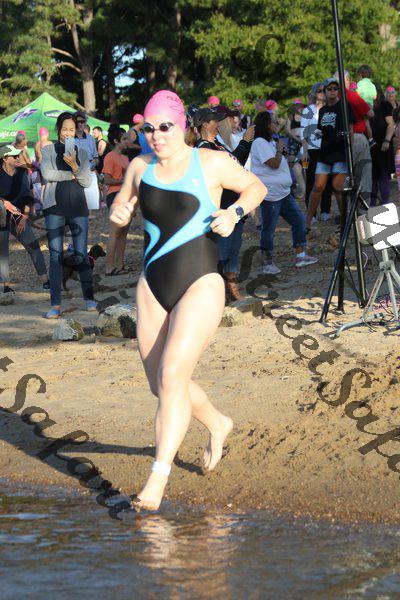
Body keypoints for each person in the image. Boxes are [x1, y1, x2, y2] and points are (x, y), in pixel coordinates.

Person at [109, 90, 266, 511]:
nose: (156, 135)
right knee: (160, 384)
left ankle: (157, 479)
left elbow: (255, 186)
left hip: (201, 281)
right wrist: (118, 217)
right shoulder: (140, 167)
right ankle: (218, 422)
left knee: (173, 373)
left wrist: (234, 213)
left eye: (165, 127)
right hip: (152, 286)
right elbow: (122, 209)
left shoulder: (209, 162)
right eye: (148, 129)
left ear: (182, 126)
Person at [193, 106, 255, 302]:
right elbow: (233, 164)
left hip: (232, 206)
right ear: (205, 124)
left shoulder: (217, 145)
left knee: (233, 251)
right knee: (223, 252)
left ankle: (231, 290)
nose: (218, 124)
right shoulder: (204, 148)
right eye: (215, 121)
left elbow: (236, 164)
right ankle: (219, 293)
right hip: (220, 208)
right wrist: (245, 141)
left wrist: (246, 143)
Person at [41, 112, 97, 318]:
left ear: (76, 131)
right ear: (58, 129)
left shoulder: (82, 152)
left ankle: (89, 299)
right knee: (55, 255)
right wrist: (71, 175)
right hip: (54, 208)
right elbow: (47, 174)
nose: (68, 133)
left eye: (71, 129)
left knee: (81, 253)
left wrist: (74, 165)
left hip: (78, 208)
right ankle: (55, 304)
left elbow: (87, 181)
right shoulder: (48, 149)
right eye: (64, 129)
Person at [251, 111, 318, 274]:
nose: (277, 124)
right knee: (269, 228)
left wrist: (285, 155)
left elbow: (281, 165)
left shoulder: (271, 142)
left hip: (284, 192)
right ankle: (267, 263)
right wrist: (280, 150)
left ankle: (301, 255)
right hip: (270, 195)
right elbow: (273, 164)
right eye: (274, 122)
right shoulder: (259, 143)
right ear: (266, 125)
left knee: (299, 220)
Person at [306, 78, 356, 230]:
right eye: (329, 89)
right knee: (318, 186)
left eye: (335, 88)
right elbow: (321, 130)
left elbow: (351, 129)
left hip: (340, 152)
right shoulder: (322, 110)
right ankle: (307, 222)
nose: (333, 91)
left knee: (337, 186)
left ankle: (344, 222)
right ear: (325, 92)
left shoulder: (345, 106)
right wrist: (317, 134)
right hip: (325, 153)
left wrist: (350, 150)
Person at [0, 144, 49, 294]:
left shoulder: (24, 173)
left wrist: (25, 217)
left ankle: (46, 281)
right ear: (4, 159)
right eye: (14, 156)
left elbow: (29, 197)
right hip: (1, 218)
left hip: (19, 218)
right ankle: (6, 286)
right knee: (2, 252)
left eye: (18, 155)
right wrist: (4, 202)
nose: (18, 158)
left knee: (33, 246)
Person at [335, 69, 373, 205]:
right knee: (363, 175)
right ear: (346, 79)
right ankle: (362, 210)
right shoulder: (351, 96)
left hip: (338, 140)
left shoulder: (332, 99)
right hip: (356, 137)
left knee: (345, 177)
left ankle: (346, 211)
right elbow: (370, 113)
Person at [301, 82, 333, 221]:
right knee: (311, 182)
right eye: (319, 91)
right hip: (312, 150)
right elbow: (304, 134)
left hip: (326, 148)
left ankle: (325, 210)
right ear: (315, 93)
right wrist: (305, 152)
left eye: (323, 90)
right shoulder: (308, 110)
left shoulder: (330, 109)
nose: (322, 93)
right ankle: (311, 214)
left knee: (327, 181)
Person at [102, 126, 131, 275]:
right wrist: (123, 180)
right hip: (114, 196)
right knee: (115, 232)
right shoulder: (110, 157)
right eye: (124, 138)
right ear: (115, 141)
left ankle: (120, 265)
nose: (127, 141)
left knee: (124, 232)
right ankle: (109, 267)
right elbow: (107, 180)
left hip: (126, 195)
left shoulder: (125, 157)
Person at [370, 86, 395, 206]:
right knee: (372, 176)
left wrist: (387, 140)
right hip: (371, 146)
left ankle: (385, 204)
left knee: (384, 175)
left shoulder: (384, 105)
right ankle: (371, 204)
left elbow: (390, 124)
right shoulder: (367, 106)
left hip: (383, 144)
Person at [285, 99, 306, 201]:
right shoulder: (291, 116)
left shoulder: (306, 116)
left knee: (305, 167)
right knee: (295, 166)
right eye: (297, 106)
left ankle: (307, 191)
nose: (299, 108)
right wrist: (297, 139)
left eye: (300, 106)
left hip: (305, 143)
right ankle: (303, 191)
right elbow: (287, 130)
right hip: (294, 143)